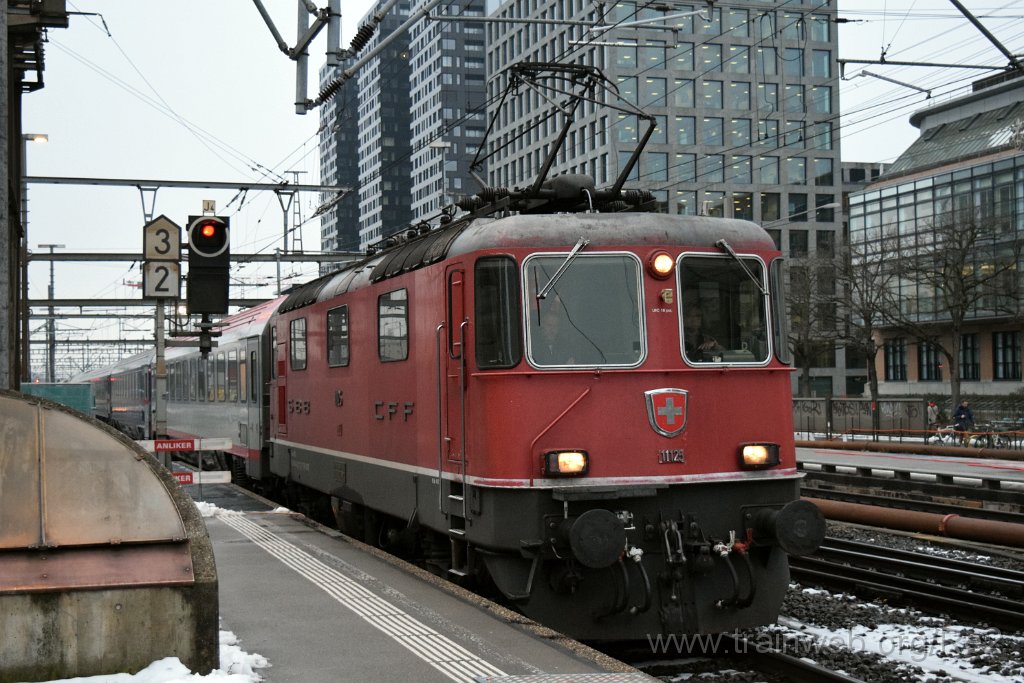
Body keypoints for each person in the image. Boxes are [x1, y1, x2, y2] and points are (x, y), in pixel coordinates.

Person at [682, 290, 723, 361]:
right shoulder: (679, 338)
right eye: (689, 316)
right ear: (683, 318)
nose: (694, 319)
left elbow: (725, 353)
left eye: (697, 316)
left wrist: (714, 345)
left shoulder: (707, 338)